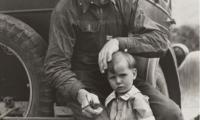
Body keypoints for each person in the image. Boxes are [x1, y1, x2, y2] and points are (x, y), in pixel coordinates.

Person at [44, 0, 183, 119]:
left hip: (121, 77)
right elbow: (55, 66)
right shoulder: (65, 10)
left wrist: (119, 43)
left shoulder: (123, 3)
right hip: (85, 86)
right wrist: (80, 93)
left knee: (171, 114)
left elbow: (161, 41)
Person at [105, 51, 155, 120]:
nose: (118, 81)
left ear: (134, 74)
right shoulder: (109, 100)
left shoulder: (137, 99)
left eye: (123, 75)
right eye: (112, 77)